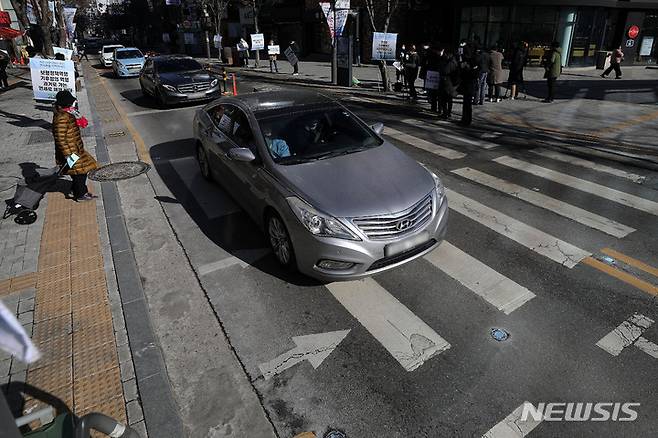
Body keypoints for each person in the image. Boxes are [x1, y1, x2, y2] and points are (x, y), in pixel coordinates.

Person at [52, 90, 98, 202]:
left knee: (78, 172)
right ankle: (81, 195)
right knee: (80, 173)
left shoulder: (66, 114)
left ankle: (75, 190)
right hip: (70, 152)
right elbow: (60, 139)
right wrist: (68, 155)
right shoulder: (62, 118)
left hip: (76, 149)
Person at [458, 43, 477, 126]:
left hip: (469, 84)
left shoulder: (471, 61)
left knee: (467, 103)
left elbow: (473, 74)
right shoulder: (470, 60)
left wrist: (466, 68)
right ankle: (465, 119)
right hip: (468, 84)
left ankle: (466, 120)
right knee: (466, 103)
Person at [438, 49, 459, 119]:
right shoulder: (454, 62)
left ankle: (445, 113)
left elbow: (444, 71)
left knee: (444, 99)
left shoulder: (450, 63)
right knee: (449, 99)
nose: (445, 55)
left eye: (446, 54)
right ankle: (448, 113)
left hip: (447, 83)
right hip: (451, 83)